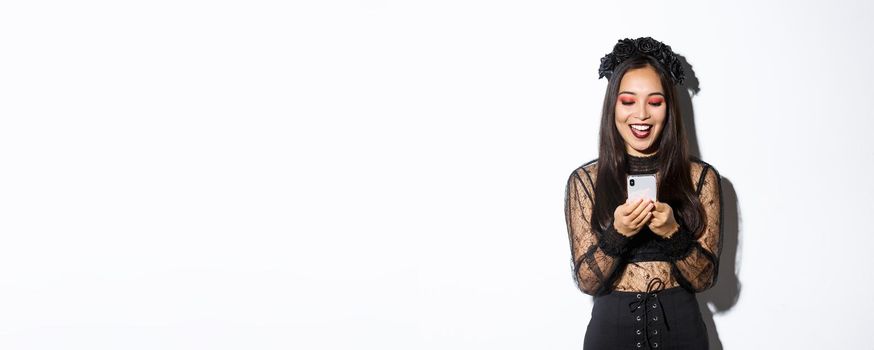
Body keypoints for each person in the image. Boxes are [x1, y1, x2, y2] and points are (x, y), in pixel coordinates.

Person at [564, 37, 723, 349]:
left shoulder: (701, 177)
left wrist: (673, 233)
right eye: (628, 101)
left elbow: (704, 280)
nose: (641, 115)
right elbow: (587, 280)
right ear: (613, 107)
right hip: (611, 333)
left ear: (669, 108)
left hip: (683, 332)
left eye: (654, 102)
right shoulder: (586, 181)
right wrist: (618, 233)